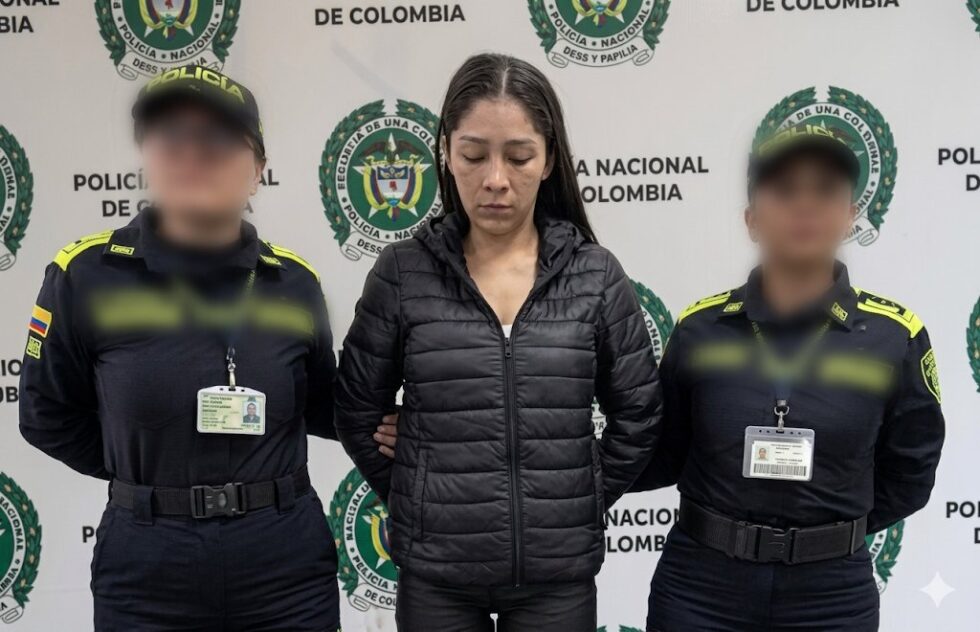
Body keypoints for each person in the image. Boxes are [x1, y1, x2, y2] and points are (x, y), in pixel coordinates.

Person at [18, 65, 386, 631]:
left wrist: (400, 422)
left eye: (217, 138)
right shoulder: (84, 275)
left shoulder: (293, 282)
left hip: (283, 565)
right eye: (170, 136)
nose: (192, 153)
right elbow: (47, 416)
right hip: (147, 566)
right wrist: (144, 473)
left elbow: (319, 405)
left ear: (257, 169)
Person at [335, 53, 663, 632]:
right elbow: (357, 411)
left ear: (549, 158)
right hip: (437, 578)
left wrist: (579, 496)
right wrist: (420, 494)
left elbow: (638, 415)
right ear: (446, 152)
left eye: (518, 156)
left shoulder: (595, 275)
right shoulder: (403, 273)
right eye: (473, 155)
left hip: (556, 580)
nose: (495, 179)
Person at [632, 123, 946, 631]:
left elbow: (909, 473)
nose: (805, 205)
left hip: (831, 597)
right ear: (752, 219)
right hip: (702, 589)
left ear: (850, 215)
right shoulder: (700, 329)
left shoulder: (896, 335)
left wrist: (823, 533)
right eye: (783, 190)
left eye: (825, 190)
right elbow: (663, 452)